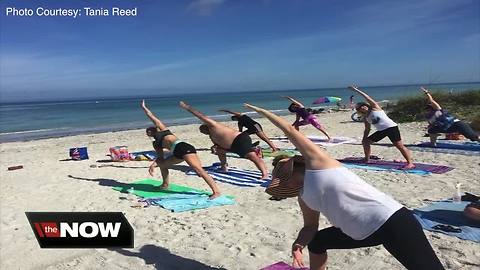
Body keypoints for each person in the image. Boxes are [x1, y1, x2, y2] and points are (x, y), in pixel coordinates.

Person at [243, 103, 444, 270]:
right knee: (318, 241)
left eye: (285, 176)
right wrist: (298, 244)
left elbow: (289, 130)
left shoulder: (320, 164)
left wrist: (263, 113)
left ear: (297, 166)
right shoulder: (303, 196)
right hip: (360, 233)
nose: (286, 181)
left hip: (390, 221)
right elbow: (310, 227)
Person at [141, 100, 221, 199]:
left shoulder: (164, 130)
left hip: (184, 148)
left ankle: (216, 191)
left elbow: (152, 117)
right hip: (177, 153)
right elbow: (160, 158)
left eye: (149, 130)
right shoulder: (156, 144)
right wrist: (153, 164)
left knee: (199, 170)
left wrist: (144, 108)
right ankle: (165, 185)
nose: (149, 132)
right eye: (147, 131)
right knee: (163, 164)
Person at [179, 101, 269, 179]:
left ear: (206, 127)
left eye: (203, 131)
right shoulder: (211, 136)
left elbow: (200, 115)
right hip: (232, 147)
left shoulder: (214, 125)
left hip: (240, 140)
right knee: (219, 151)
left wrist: (187, 107)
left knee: (252, 156)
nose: (203, 133)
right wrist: (214, 148)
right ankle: (224, 167)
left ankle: (264, 173)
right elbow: (217, 145)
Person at [349, 85, 415, 169]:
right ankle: (367, 159)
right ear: (359, 110)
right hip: (382, 131)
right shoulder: (365, 118)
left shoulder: (375, 108)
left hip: (391, 127)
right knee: (366, 142)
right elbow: (367, 129)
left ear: (366, 105)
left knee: (399, 146)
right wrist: (364, 138)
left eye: (363, 105)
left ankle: (410, 163)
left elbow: (367, 97)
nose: (363, 107)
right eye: (360, 108)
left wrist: (356, 90)